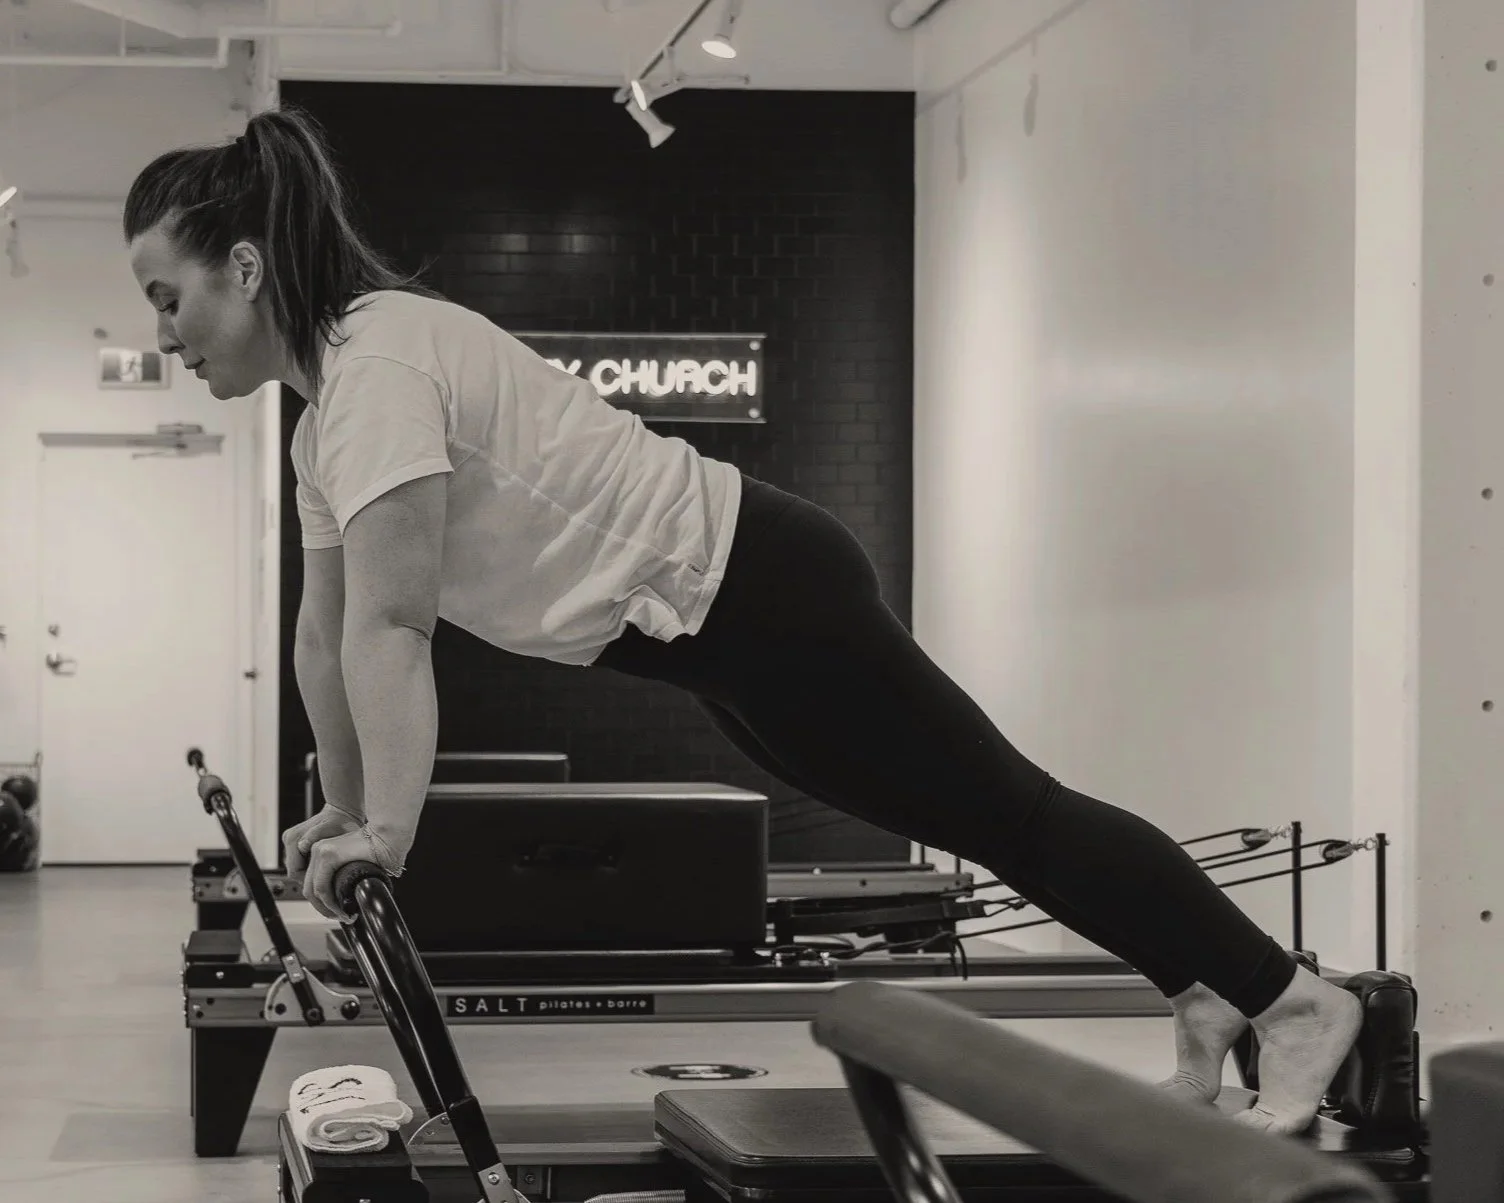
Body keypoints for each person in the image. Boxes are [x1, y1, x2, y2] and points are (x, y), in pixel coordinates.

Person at [123, 105, 1362, 1136]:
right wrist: (344, 811)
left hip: (763, 588)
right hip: (716, 639)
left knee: (1015, 811)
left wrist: (386, 834)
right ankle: (1204, 986)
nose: (162, 334)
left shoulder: (378, 368)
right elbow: (323, 635)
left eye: (166, 297)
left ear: (244, 266)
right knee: (1001, 826)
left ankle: (1289, 998)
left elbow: (393, 628)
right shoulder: (321, 419)